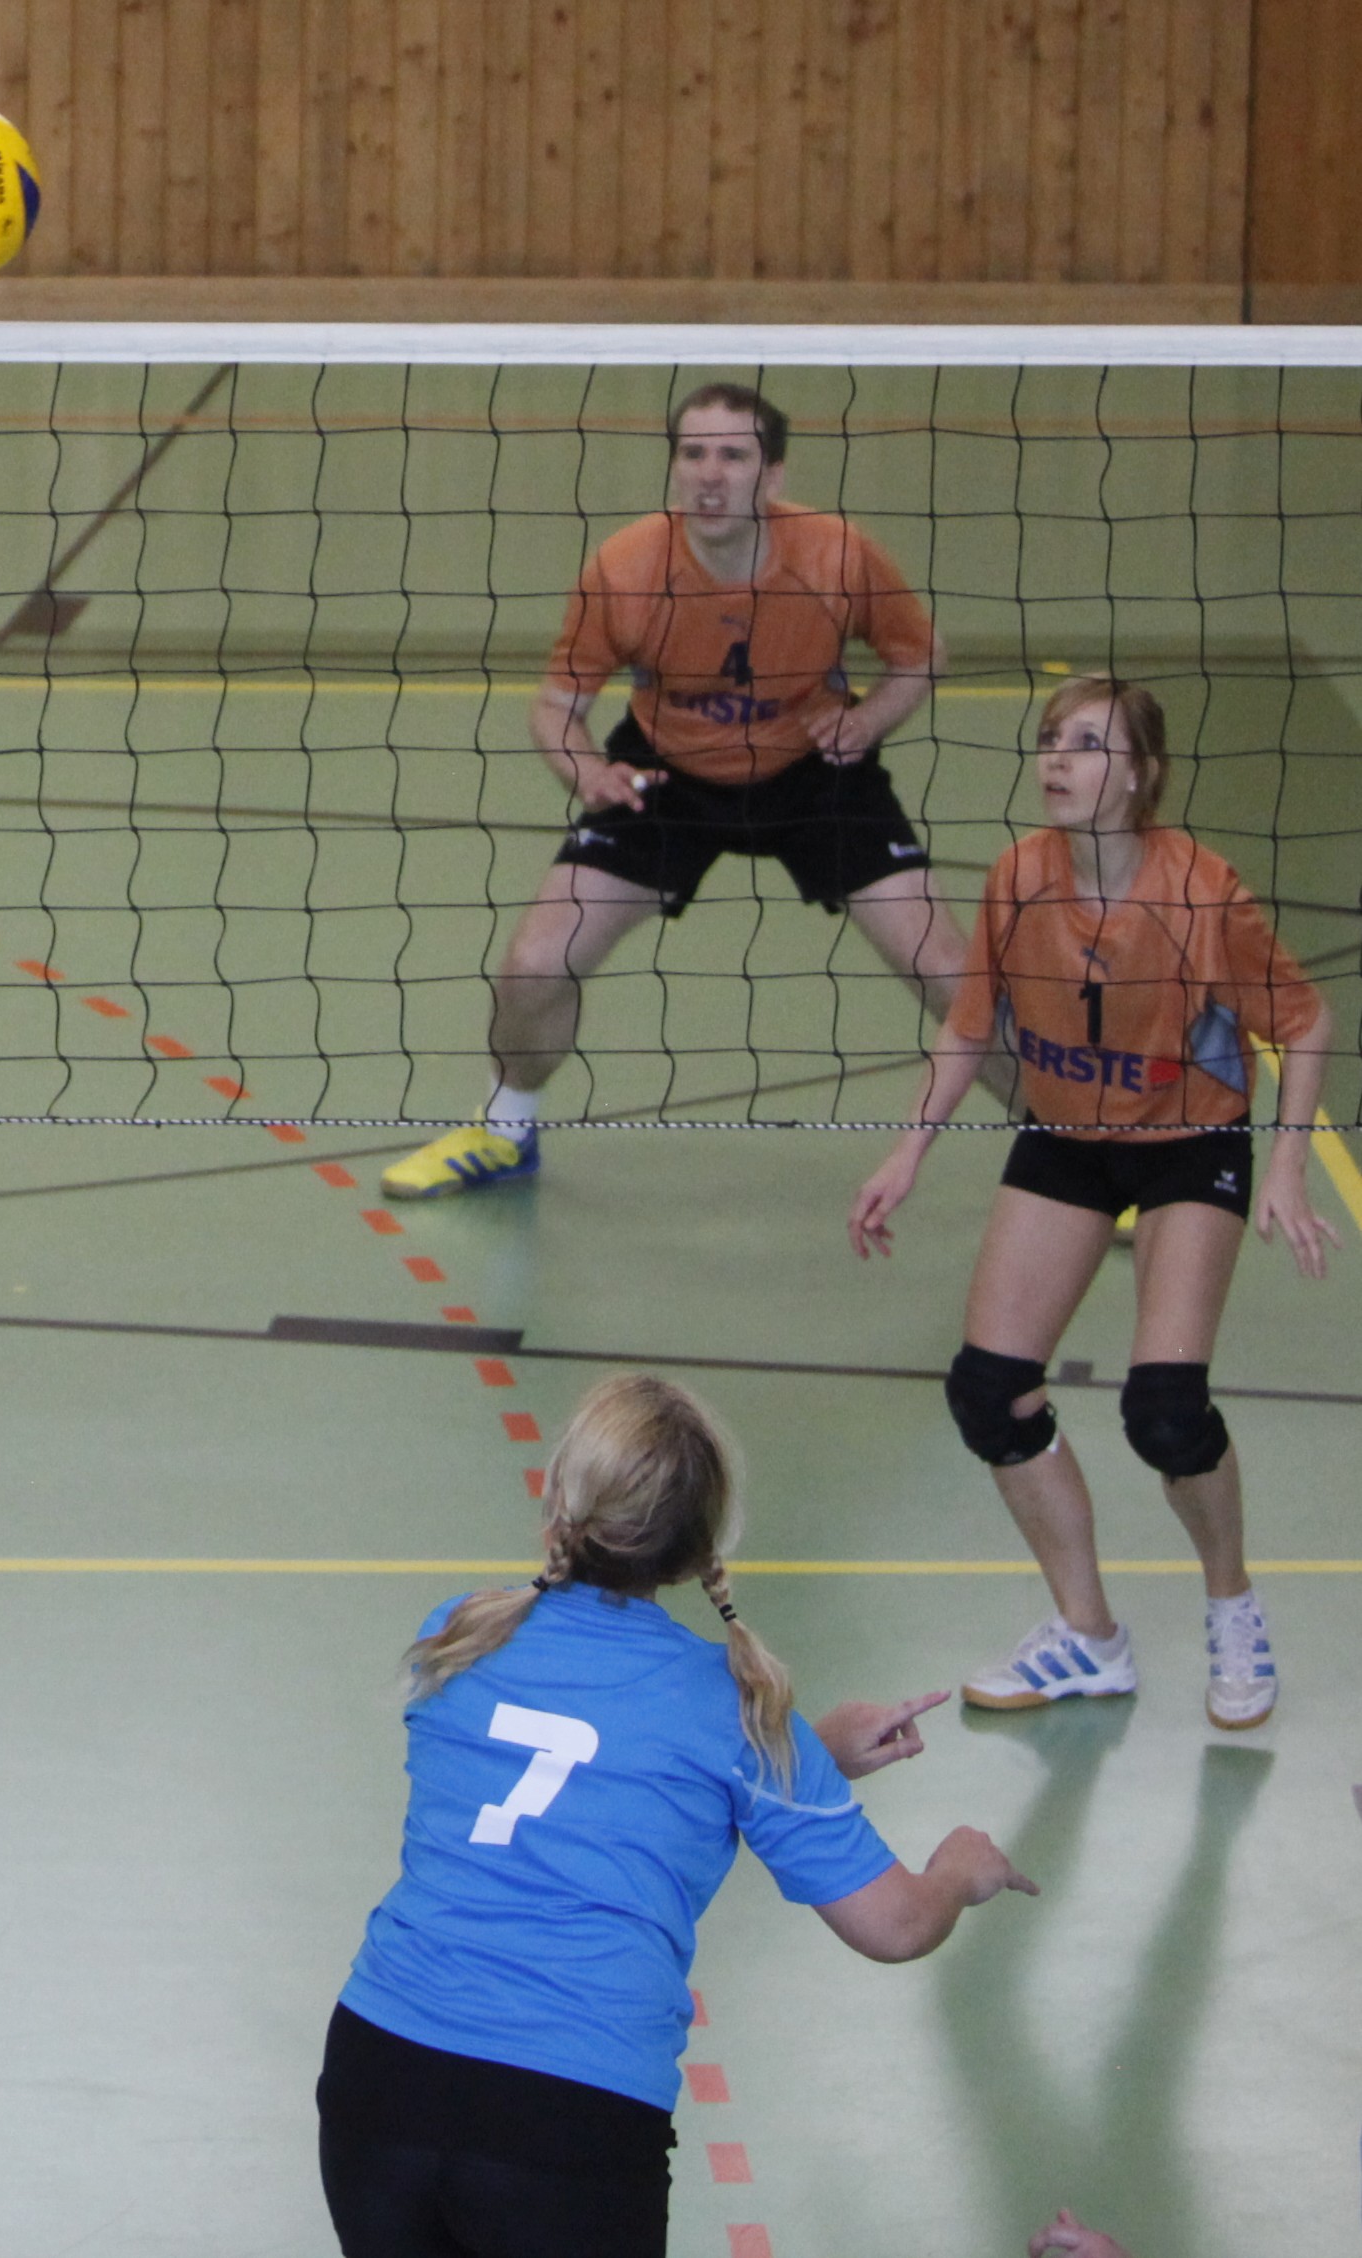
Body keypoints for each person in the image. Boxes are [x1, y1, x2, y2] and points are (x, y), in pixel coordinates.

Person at [321, 1372, 1034, 2258]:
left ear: (562, 1500)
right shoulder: (736, 1715)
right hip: (564, 2119)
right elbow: (894, 1926)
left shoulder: (461, 1633)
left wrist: (802, 1756)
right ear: (702, 1544)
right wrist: (958, 1872)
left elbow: (585, 1777)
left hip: (379, 2078)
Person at [848, 676, 1334, 1727]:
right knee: (988, 1392)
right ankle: (1088, 1636)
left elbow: (1303, 1024)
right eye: (1048, 739)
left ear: (1141, 774)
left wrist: (1286, 1169)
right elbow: (968, 1024)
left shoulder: (1200, 893)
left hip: (1186, 1143)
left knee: (1164, 1411)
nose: (1056, 759)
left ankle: (1231, 1605)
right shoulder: (1019, 876)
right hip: (1065, 1138)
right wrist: (906, 1153)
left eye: (1087, 743)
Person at [383, 383, 960, 1199]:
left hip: (817, 774)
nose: (709, 474)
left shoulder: (836, 555)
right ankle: (504, 1130)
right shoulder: (625, 567)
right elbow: (554, 710)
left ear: (772, 474)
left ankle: (1076, 1156)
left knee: (949, 974)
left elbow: (921, 657)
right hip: (664, 775)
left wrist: (868, 722)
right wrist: (586, 771)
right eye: (693, 453)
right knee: (536, 963)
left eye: (732, 454)